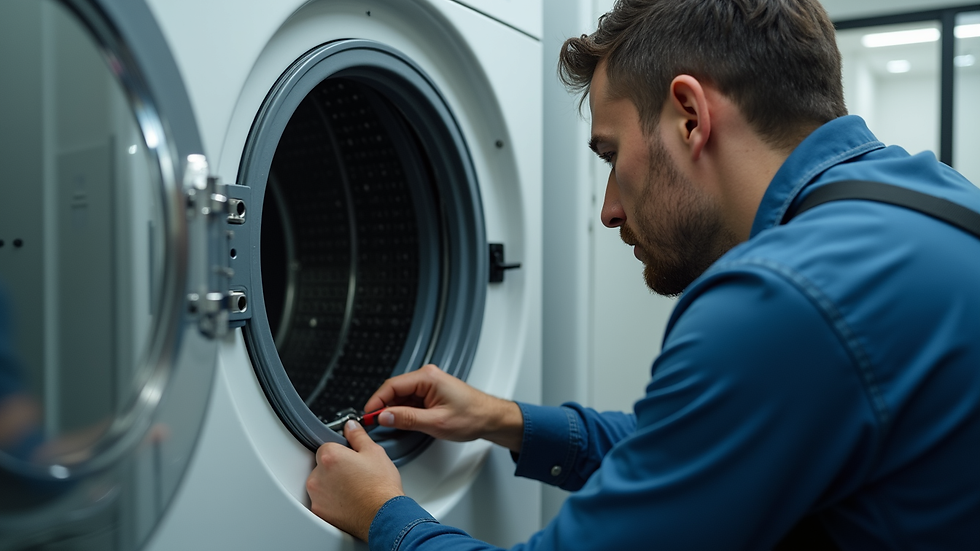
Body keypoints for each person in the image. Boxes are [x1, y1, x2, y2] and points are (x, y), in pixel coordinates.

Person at [305, 0, 980, 548]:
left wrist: (383, 513)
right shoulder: (930, 201)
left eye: (611, 153)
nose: (608, 210)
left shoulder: (784, 297)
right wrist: (504, 418)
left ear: (690, 116)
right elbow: (712, 448)